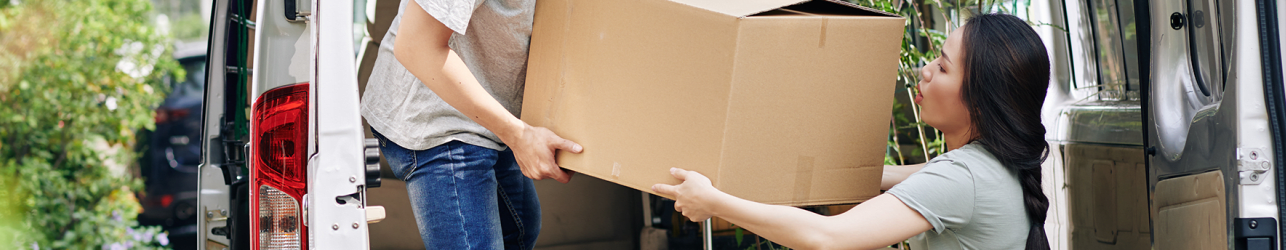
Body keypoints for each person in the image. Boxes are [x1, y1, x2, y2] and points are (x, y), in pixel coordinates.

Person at [652, 13, 1053, 250]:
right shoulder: (989, 164)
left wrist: (713, 202)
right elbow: (876, 178)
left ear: (982, 101)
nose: (925, 70)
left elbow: (828, 238)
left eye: (943, 68)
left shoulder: (963, 177)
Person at [361, 0, 580, 248]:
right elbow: (416, 46)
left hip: (491, 114)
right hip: (437, 121)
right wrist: (519, 136)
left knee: (521, 229)